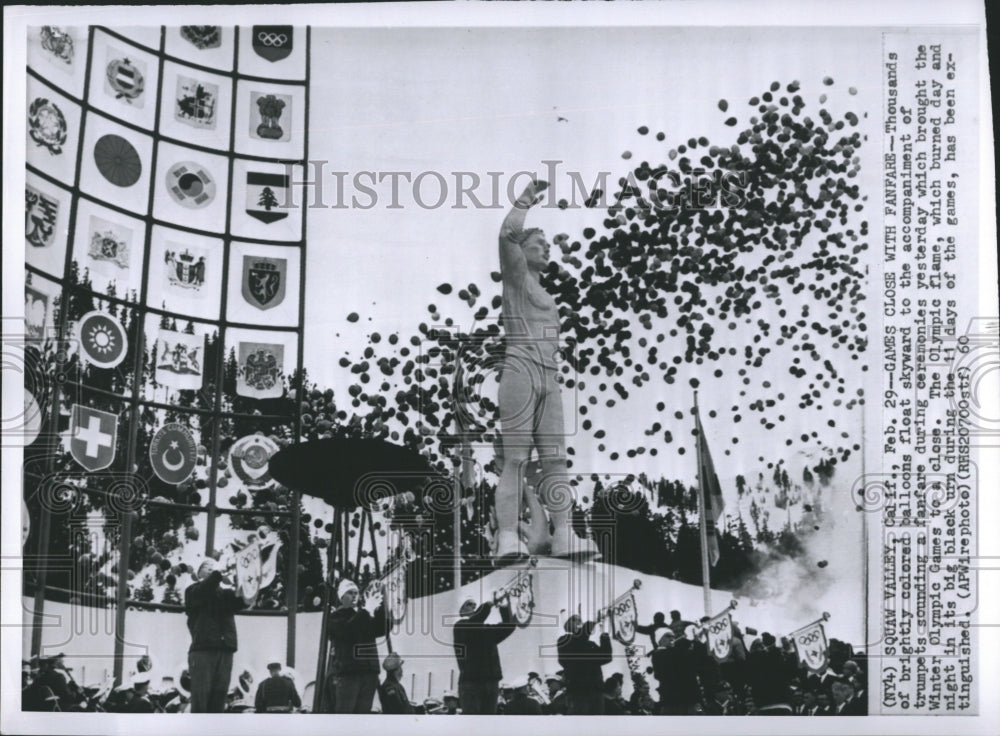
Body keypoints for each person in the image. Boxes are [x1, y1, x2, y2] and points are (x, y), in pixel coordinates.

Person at [495, 178, 600, 560]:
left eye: (549, 246)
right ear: (522, 253)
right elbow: (507, 234)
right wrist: (524, 201)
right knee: (516, 459)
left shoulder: (547, 295)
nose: (547, 250)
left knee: (556, 458)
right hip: (520, 366)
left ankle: (564, 534)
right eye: (540, 244)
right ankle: (507, 536)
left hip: (548, 375)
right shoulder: (517, 280)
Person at [184, 558, 246, 713]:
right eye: (207, 567)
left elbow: (243, 601)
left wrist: (245, 581)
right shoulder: (193, 591)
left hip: (225, 650)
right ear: (199, 574)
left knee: (219, 700)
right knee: (201, 699)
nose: (212, 569)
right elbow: (205, 589)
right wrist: (218, 574)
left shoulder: (225, 594)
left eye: (214, 568)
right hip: (203, 650)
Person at [327, 578, 387, 714]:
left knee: (363, 714)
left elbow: (381, 629)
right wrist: (367, 610)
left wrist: (380, 608)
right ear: (342, 597)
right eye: (350, 593)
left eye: (355, 593)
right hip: (350, 673)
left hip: (369, 672)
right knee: (346, 713)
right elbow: (349, 631)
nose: (354, 596)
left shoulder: (363, 615)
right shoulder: (336, 617)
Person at [452, 595, 516, 714]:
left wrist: (504, 607)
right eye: (469, 604)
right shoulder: (460, 627)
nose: (474, 606)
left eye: (475, 604)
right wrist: (487, 605)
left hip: (491, 682)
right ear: (461, 610)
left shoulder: (483, 629)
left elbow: (508, 627)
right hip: (472, 683)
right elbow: (474, 623)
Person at [556, 614, 613, 715]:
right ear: (567, 625)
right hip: (578, 693)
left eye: (580, 620)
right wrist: (594, 621)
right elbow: (579, 639)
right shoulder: (564, 641)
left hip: (596, 692)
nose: (579, 622)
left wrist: (604, 634)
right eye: (574, 620)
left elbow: (606, 657)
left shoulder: (589, 644)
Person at [651, 630, 701, 715]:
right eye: (668, 636)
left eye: (673, 637)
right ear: (660, 640)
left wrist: (697, 642)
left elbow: (695, 658)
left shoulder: (676, 652)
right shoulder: (658, 654)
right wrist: (687, 638)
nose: (672, 638)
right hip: (674, 700)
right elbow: (673, 654)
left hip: (690, 698)